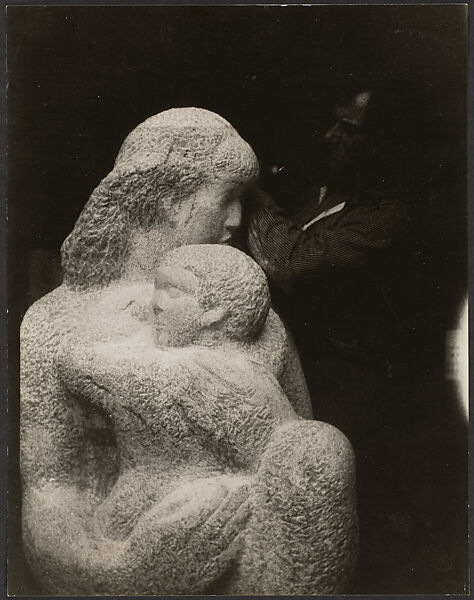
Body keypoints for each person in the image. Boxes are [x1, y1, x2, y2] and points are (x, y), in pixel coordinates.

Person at [27, 244, 357, 595]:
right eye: (157, 290)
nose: (155, 304)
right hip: (162, 524)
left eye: (172, 292)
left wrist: (126, 324)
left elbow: (77, 362)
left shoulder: (185, 374)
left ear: (213, 313)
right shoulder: (256, 367)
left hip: (180, 518)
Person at [246, 89, 416, 589]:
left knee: (344, 533)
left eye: (350, 128)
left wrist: (256, 201)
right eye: (332, 124)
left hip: (350, 397)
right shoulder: (322, 193)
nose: (330, 136)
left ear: (385, 139)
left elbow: (294, 264)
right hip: (302, 381)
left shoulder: (390, 214)